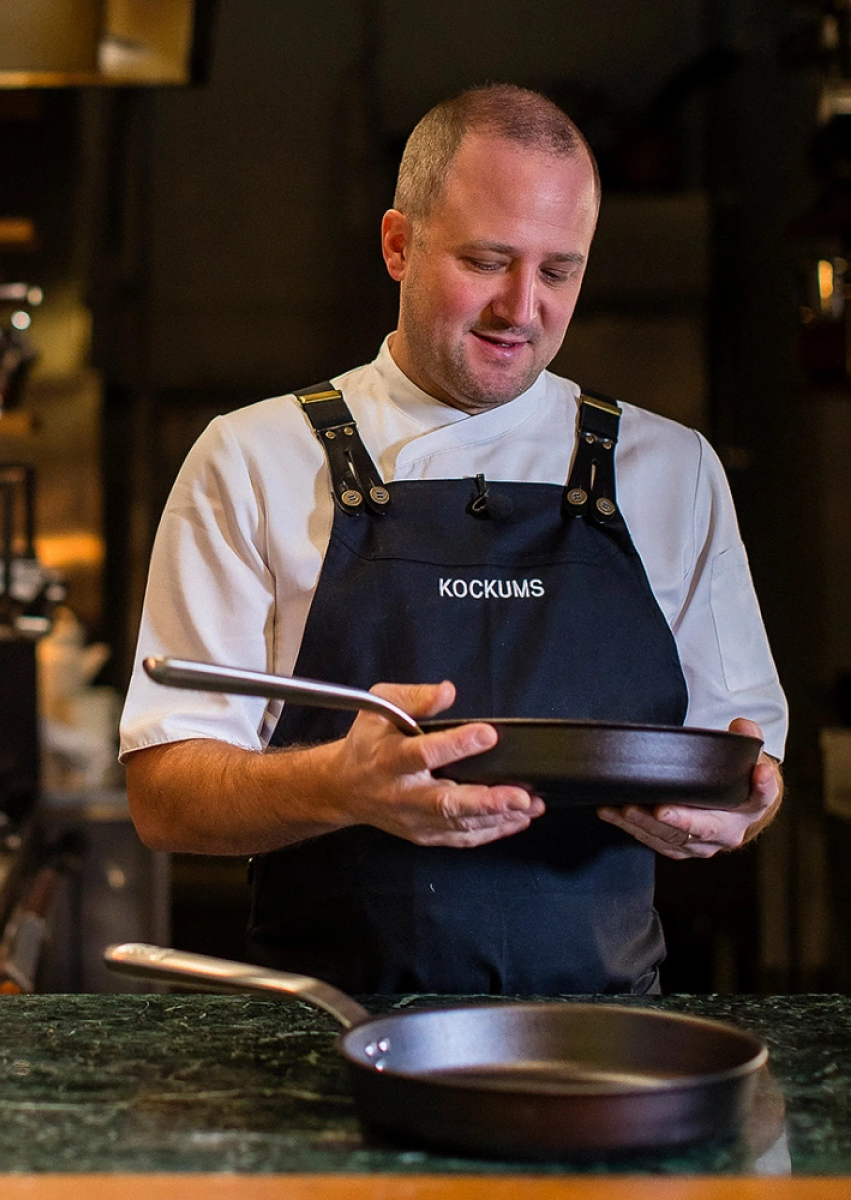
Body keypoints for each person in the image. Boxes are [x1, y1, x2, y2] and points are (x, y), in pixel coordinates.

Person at [118, 84, 787, 995]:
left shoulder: (673, 468)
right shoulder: (252, 457)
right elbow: (164, 796)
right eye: (487, 260)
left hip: (605, 1043)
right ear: (399, 245)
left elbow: (744, 758)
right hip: (329, 1042)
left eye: (559, 272)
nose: (523, 307)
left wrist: (736, 810)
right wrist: (337, 787)